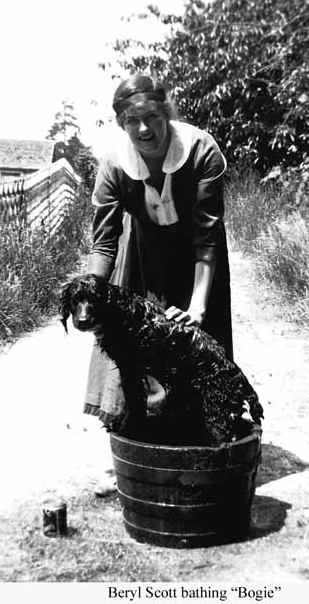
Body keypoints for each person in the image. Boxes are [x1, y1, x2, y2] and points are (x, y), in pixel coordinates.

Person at [84, 74, 233, 495]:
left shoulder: (201, 151)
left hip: (196, 260)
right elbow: (105, 242)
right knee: (132, 347)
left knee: (198, 346)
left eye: (152, 116)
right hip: (142, 256)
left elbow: (207, 238)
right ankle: (133, 459)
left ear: (166, 113)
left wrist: (199, 306)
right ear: (121, 124)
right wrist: (92, 296)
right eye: (132, 121)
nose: (144, 129)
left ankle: (196, 459)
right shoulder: (114, 165)